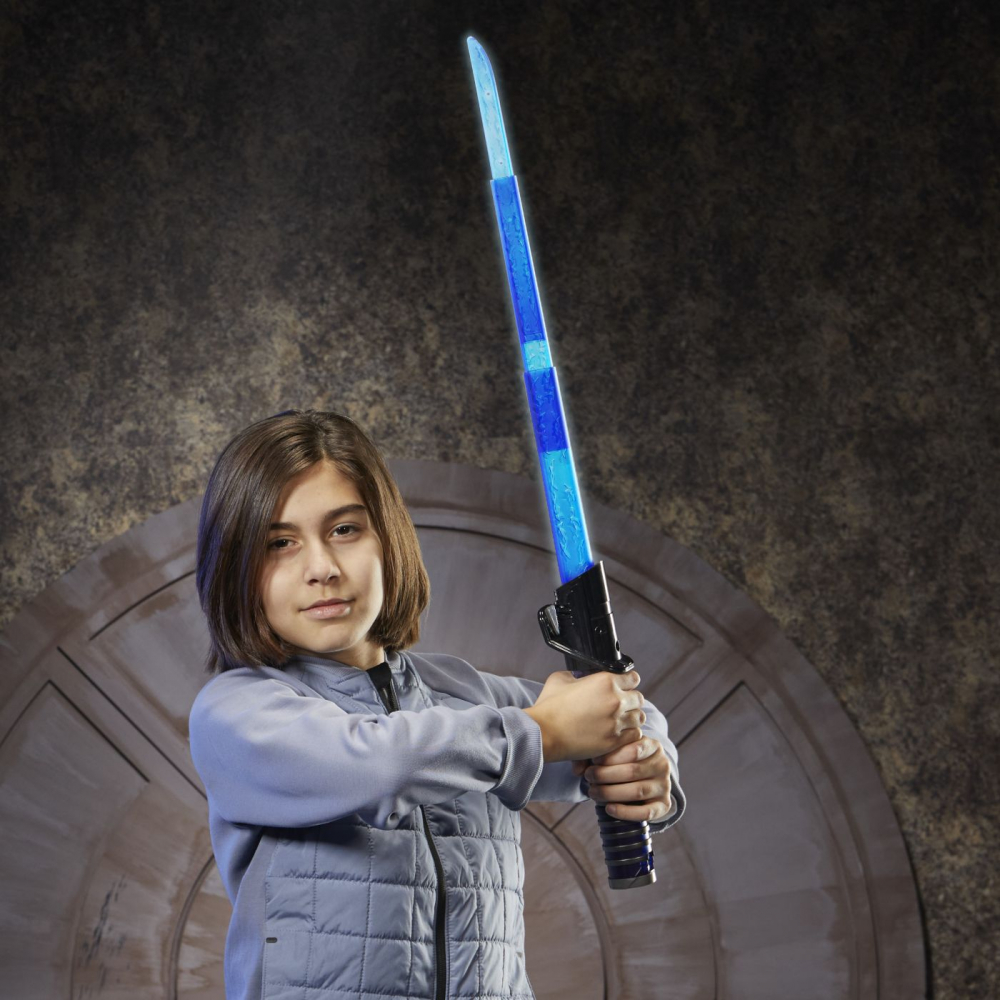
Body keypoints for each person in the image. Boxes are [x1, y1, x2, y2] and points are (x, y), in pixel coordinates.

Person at [188, 408, 686, 1000]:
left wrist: (645, 761)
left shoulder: (468, 697)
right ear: (237, 567)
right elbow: (381, 767)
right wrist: (544, 733)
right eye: (280, 543)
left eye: (345, 530)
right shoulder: (236, 715)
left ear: (387, 538)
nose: (321, 568)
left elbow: (620, 713)